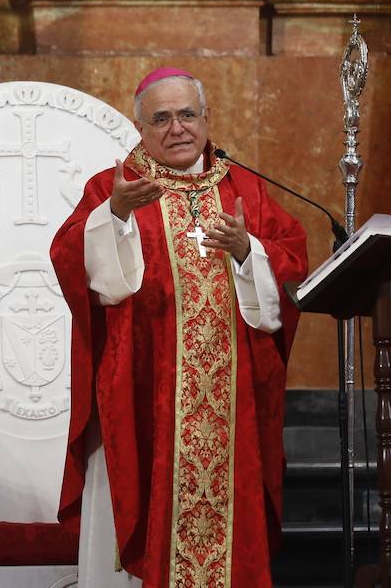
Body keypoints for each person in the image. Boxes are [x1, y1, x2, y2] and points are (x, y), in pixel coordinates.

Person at [50, 69, 309, 588]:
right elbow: (70, 258)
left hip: (232, 401)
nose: (177, 128)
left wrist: (246, 250)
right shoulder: (113, 186)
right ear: (141, 127)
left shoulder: (246, 189)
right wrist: (116, 217)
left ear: (207, 120)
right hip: (143, 394)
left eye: (187, 115)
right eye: (161, 118)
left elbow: (293, 259)